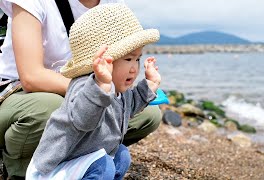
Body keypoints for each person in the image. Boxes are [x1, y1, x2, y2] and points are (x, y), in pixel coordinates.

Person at [0, 0, 161, 179]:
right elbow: (32, 77)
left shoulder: (112, 4)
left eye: (137, 60)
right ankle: (21, 168)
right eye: (130, 60)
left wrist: (148, 87)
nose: (134, 67)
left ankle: (81, 156)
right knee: (53, 106)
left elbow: (127, 102)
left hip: (91, 84)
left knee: (148, 114)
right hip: (19, 91)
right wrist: (95, 89)